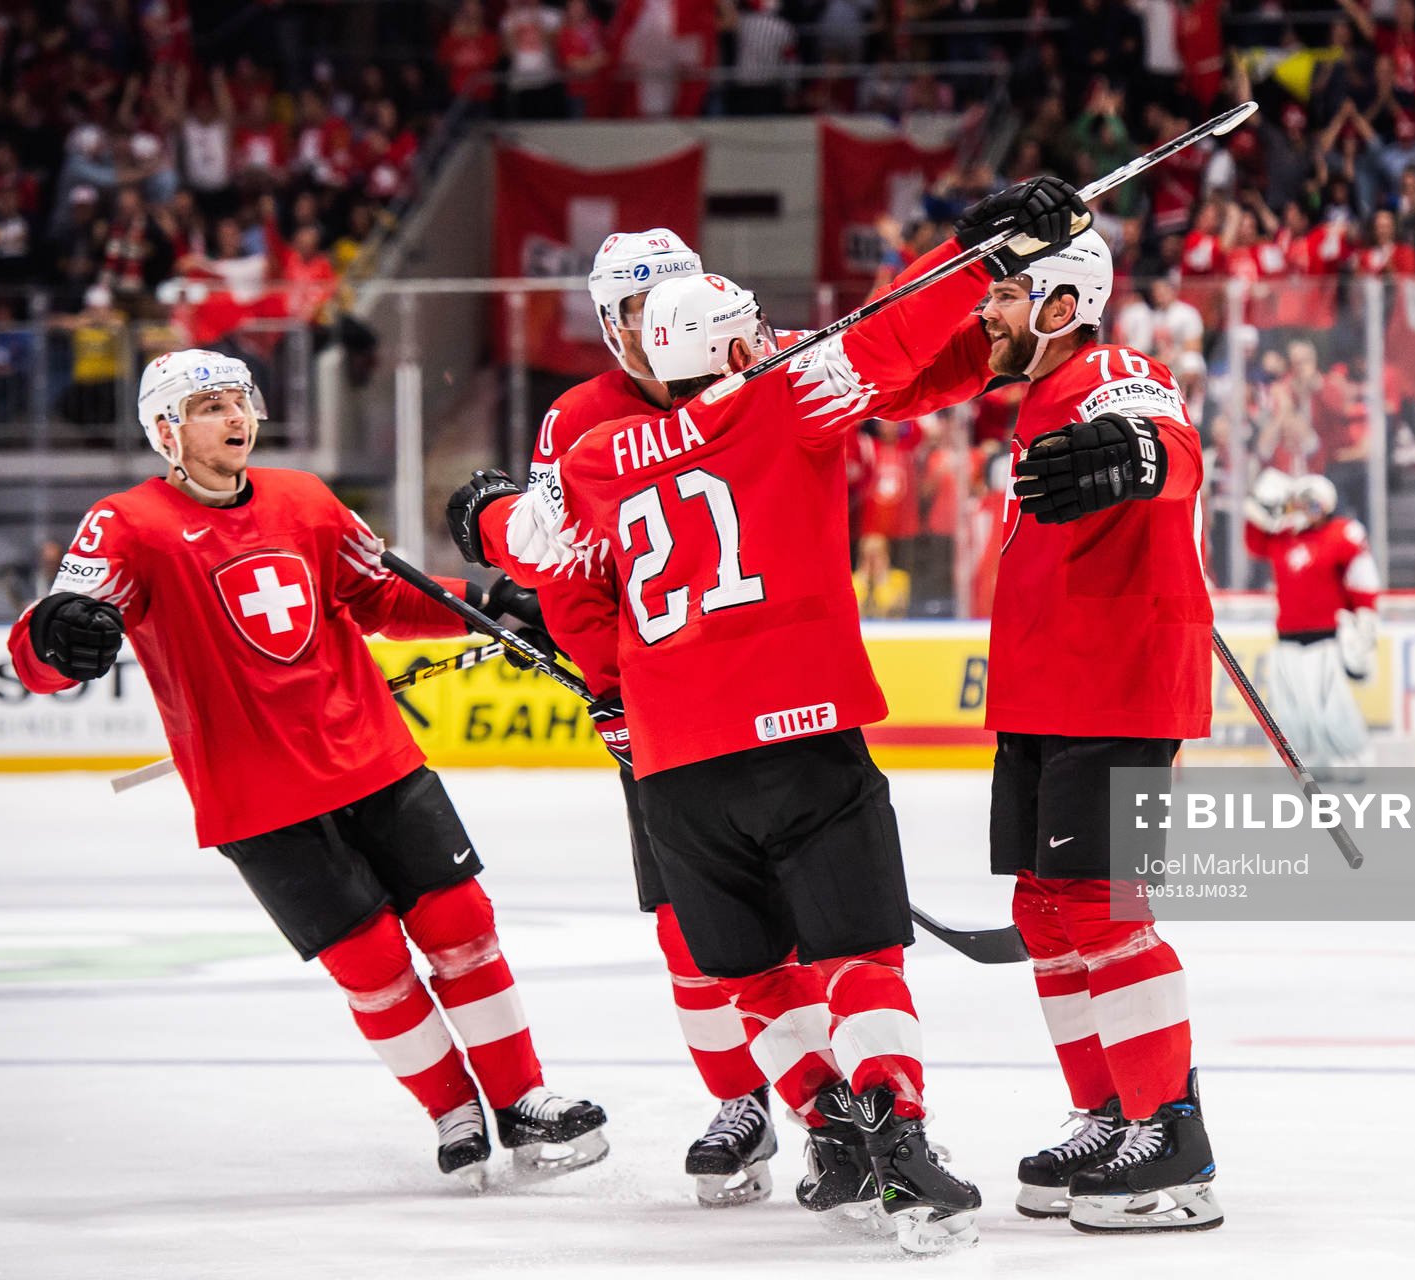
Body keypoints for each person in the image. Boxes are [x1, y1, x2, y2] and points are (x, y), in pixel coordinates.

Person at [446, 176, 1094, 1253]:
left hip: (675, 747)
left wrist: (488, 520)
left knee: (747, 965)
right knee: (842, 954)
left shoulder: (596, 454)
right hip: (789, 728)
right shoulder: (783, 384)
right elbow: (882, 342)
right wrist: (980, 258)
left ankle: (829, 1124)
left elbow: (542, 548)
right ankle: (881, 1127)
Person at [5, 350, 607, 1188]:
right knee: (372, 966)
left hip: (375, 759)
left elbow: (383, 599)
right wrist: (49, 637)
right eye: (210, 406)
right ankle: (453, 1111)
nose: (235, 418)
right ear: (166, 431)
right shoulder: (126, 525)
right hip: (256, 799)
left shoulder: (305, 499)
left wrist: (487, 601)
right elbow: (51, 643)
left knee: (463, 926)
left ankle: (522, 1099)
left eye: (239, 401)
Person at [884, 228, 1223, 1233]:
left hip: (1113, 679)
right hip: (1046, 686)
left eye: (1004, 296)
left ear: (1062, 305)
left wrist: (1131, 457)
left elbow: (1176, 450)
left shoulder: (1114, 367)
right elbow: (906, 378)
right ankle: (1110, 1107)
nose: (986, 311)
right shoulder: (1032, 387)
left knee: (1101, 905)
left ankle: (1173, 1134)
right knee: (1046, 908)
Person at [526, 227, 780, 1208]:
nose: (657, 324)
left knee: (806, 915)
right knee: (687, 921)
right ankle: (739, 1098)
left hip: (768, 690)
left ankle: (847, 1097)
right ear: (607, 320)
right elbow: (564, 567)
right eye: (635, 309)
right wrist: (606, 685)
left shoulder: (757, 369)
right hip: (663, 708)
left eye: (672, 298)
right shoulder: (578, 418)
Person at [1244, 470, 1381, 777]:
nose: (1299, 509)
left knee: (1330, 706)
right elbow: (1254, 542)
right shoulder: (1282, 538)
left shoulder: (1341, 533)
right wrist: (1256, 505)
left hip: (1326, 637)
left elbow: (1362, 577)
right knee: (1294, 709)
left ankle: (1354, 757)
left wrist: (1366, 616)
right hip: (1287, 636)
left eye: (1307, 503)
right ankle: (1308, 760)